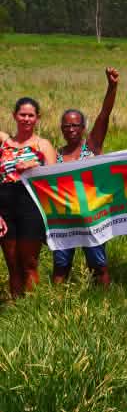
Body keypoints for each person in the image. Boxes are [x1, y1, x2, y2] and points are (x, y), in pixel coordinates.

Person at [52, 67, 119, 286]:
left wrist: (112, 86)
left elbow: (104, 115)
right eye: (66, 125)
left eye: (75, 125)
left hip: (92, 217)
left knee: (98, 265)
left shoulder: (91, 147)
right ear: (61, 129)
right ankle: (55, 305)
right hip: (63, 219)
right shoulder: (55, 155)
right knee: (61, 267)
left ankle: (105, 307)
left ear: (83, 128)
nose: (70, 128)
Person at [0, 98, 57, 297]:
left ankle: (31, 309)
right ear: (14, 115)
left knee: (29, 263)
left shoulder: (43, 145)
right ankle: (15, 309)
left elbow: (54, 180)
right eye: (22, 114)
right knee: (12, 264)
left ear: (37, 118)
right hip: (5, 206)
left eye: (30, 115)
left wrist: (35, 166)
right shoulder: (3, 142)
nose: (26, 119)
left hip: (31, 205)